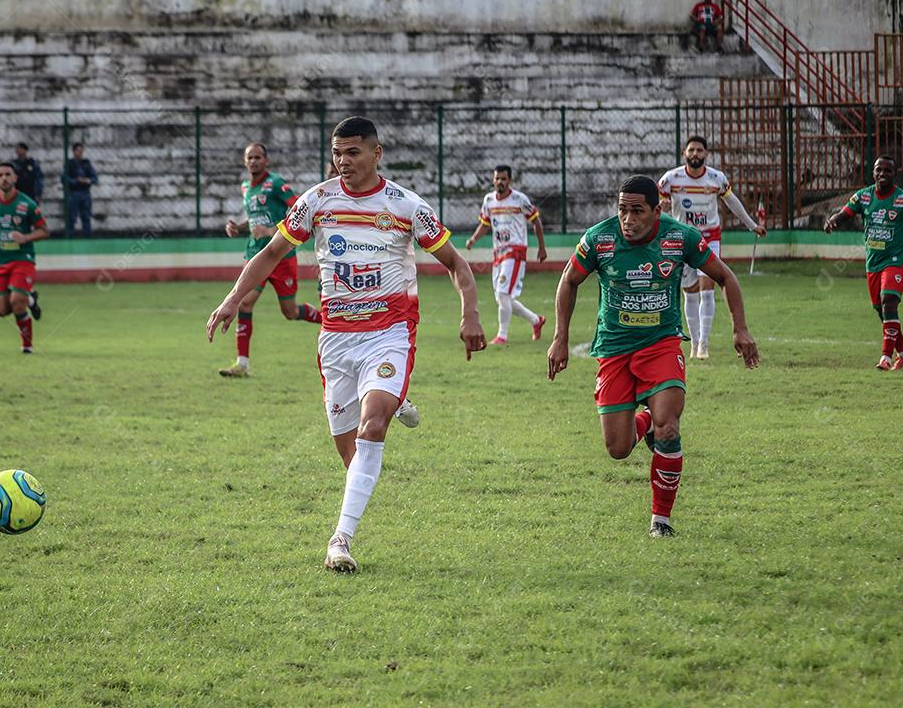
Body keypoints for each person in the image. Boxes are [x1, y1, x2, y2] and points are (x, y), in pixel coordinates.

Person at [207, 116, 486, 571]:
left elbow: (456, 264)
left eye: (352, 153)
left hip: (389, 333)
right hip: (336, 340)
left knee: (371, 427)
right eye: (337, 153)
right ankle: (394, 399)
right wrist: (232, 299)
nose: (342, 162)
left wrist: (469, 313)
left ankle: (340, 540)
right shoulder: (315, 201)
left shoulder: (405, 205)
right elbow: (271, 254)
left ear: (377, 154)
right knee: (349, 453)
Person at [547, 175, 759, 537]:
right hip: (614, 350)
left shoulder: (679, 238)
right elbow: (569, 280)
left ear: (656, 211)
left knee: (670, 426)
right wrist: (560, 338)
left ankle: (660, 520)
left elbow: (725, 276)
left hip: (662, 345)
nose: (628, 219)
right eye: (622, 210)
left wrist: (740, 328)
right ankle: (642, 422)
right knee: (617, 449)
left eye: (637, 211)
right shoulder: (599, 239)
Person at [219, 142, 324, 378]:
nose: (254, 161)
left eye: (258, 157)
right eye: (250, 158)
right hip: (255, 255)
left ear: (266, 161)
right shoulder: (246, 187)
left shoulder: (276, 184)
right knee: (244, 303)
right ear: (245, 162)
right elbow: (255, 217)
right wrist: (239, 227)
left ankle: (326, 321)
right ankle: (242, 364)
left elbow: (298, 208)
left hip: (281, 257)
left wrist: (270, 232)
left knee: (289, 311)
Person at [824, 156, 903, 370]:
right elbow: (844, 214)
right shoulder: (863, 197)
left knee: (889, 301)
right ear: (873, 173)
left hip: (896, 261)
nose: (882, 174)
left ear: (895, 175)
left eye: (887, 171)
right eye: (879, 170)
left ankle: (885, 357)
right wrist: (832, 222)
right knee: (882, 310)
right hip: (873, 262)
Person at [658, 135, 766, 359]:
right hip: (682, 239)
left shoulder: (716, 178)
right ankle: (694, 342)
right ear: (684, 154)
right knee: (689, 292)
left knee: (707, 288)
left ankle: (703, 346)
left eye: (699, 150)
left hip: (709, 238)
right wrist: (663, 205)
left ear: (706, 154)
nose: (695, 154)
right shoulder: (671, 179)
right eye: (691, 150)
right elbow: (655, 204)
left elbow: (732, 202)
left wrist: (752, 225)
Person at [464, 164, 548, 344]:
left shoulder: (519, 199)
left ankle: (502, 335)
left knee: (502, 294)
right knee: (503, 298)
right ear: (493, 180)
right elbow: (485, 224)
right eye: (497, 178)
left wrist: (542, 247)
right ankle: (536, 320)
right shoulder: (488, 200)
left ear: (509, 180)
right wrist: (473, 239)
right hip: (498, 253)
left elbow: (536, 221)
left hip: (515, 251)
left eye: (504, 179)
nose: (500, 182)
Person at [0, 163, 48, 353]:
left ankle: (27, 345)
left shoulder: (27, 204)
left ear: (15, 178)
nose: (4, 178)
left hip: (22, 258)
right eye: (0, 175)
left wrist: (26, 237)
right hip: (0, 260)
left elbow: (44, 231)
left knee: (17, 301)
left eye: (8, 174)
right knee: (0, 309)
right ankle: (30, 300)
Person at [63, 143, 97, 237]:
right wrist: (76, 181)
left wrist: (88, 180)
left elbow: (94, 178)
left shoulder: (86, 163)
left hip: (85, 193)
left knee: (86, 217)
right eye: (78, 150)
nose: (80, 153)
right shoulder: (69, 164)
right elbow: (64, 178)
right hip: (73, 193)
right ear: (74, 151)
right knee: (71, 218)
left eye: (81, 151)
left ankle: (87, 238)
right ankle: (70, 238)